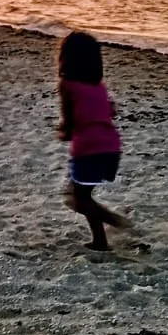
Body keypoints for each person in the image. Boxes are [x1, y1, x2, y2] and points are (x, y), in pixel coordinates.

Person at [56, 30, 128, 251]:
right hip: (111, 147)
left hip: (88, 149)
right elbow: (109, 111)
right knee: (82, 197)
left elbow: (69, 119)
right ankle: (100, 241)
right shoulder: (99, 86)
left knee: (77, 200)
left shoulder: (67, 85)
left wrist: (64, 131)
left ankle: (114, 221)